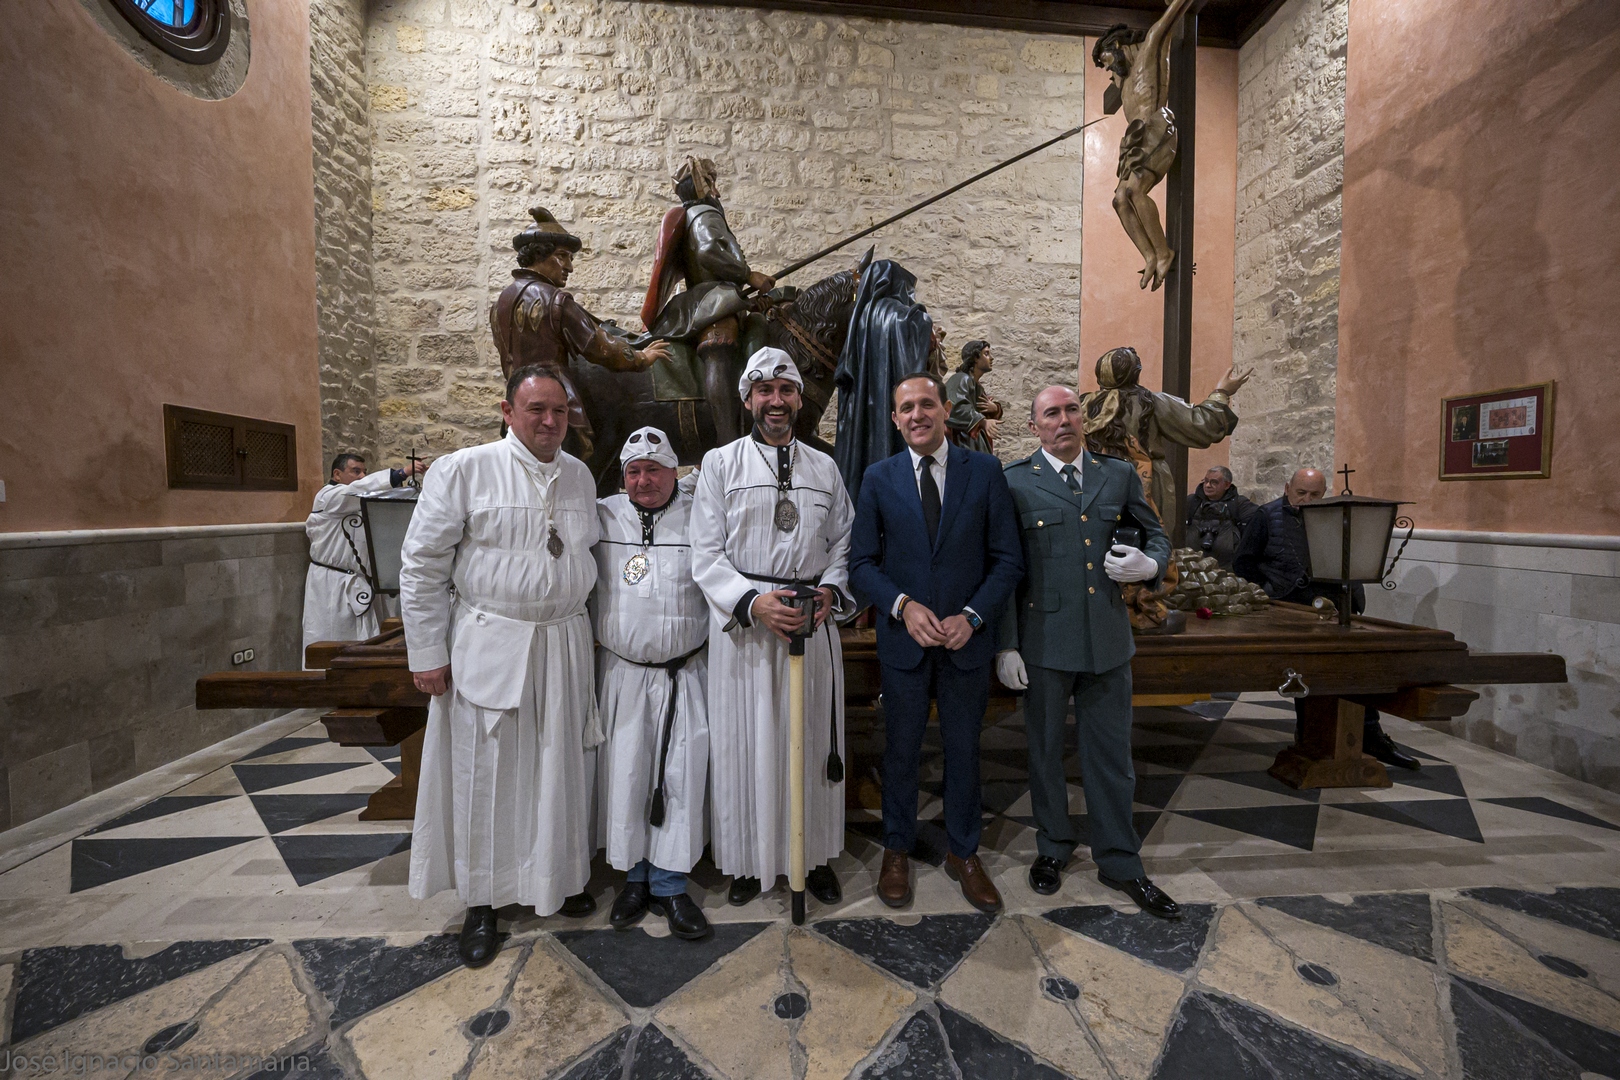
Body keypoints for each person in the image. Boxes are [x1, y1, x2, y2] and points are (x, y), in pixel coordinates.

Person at [400, 366, 603, 969]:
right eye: (536, 409)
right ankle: (483, 900)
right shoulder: (464, 469)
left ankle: (557, 877)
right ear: (508, 412)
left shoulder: (580, 474)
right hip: (492, 641)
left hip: (564, 641)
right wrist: (426, 653)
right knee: (486, 774)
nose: (549, 421)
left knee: (559, 765)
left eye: (559, 411)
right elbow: (422, 565)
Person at [996, 385, 1182, 918]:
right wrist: (1006, 645)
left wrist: (1150, 565)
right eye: (1051, 413)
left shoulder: (1116, 475)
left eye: (1071, 410)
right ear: (1034, 427)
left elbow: (1156, 535)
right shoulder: (1014, 482)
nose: (1064, 420)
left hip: (1107, 640)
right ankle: (1053, 847)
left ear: (1083, 418)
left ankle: (1120, 859)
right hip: (1044, 641)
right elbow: (1005, 570)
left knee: (1112, 757)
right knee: (1045, 752)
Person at [848, 373, 1023, 912]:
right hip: (904, 642)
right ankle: (897, 848)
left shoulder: (984, 471)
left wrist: (973, 616)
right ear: (895, 419)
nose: (917, 414)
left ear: (946, 410)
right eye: (907, 408)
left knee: (964, 750)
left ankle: (963, 852)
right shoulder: (879, 478)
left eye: (927, 404)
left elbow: (1008, 560)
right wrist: (903, 606)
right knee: (900, 751)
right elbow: (861, 564)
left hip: (965, 641)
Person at [689, 347, 855, 908]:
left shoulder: (824, 467)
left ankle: (813, 856)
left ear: (799, 400)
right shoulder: (721, 464)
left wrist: (828, 591)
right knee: (748, 745)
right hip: (749, 633)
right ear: (748, 399)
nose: (775, 401)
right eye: (765, 391)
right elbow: (705, 552)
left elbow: (844, 541)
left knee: (811, 742)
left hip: (811, 622)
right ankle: (749, 860)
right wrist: (754, 603)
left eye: (786, 390)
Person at [590, 426, 712, 941]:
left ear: (674, 472)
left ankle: (670, 884)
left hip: (683, 675)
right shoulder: (601, 515)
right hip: (622, 675)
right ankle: (633, 879)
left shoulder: (702, 515)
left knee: (680, 777)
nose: (644, 480)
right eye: (634, 471)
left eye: (655, 470)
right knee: (627, 777)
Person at [1234, 468, 1421, 771]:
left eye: (1314, 494)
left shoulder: (1334, 514)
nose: (1307, 500)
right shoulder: (1266, 516)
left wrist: (1354, 596)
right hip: (1289, 608)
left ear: (1324, 493)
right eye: (1301, 493)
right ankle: (1311, 738)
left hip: (1333, 606)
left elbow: (1349, 554)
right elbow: (1244, 562)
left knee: (1357, 665)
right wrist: (1270, 593)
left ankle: (1369, 734)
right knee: (1306, 673)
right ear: (1287, 488)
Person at [492, 206, 669, 454]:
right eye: (562, 256)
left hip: (518, 408)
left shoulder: (500, 303)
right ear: (539, 255)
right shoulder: (555, 300)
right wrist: (641, 358)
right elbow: (599, 346)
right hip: (554, 406)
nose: (569, 267)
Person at [643, 157, 776, 445]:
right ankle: (727, 438)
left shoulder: (700, 213)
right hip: (710, 300)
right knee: (720, 344)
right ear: (705, 186)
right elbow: (708, 252)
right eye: (712, 183)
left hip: (720, 296)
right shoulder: (705, 213)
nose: (717, 190)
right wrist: (748, 274)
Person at [1091, 0, 1200, 290]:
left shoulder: (1149, 52)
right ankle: (1150, 255)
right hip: (1135, 138)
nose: (1107, 69)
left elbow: (1166, 23)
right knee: (1120, 199)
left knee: (1135, 191)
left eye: (1105, 59)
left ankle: (1164, 252)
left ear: (1117, 47)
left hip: (1156, 127)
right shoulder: (1124, 82)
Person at [302, 452, 425, 663]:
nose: (362, 476)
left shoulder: (358, 501)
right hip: (334, 585)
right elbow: (359, 490)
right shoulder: (328, 497)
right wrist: (400, 474)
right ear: (337, 474)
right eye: (356, 471)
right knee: (334, 641)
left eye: (364, 472)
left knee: (367, 643)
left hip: (362, 582)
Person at [1185, 465, 1258, 568]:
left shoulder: (1239, 504)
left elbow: (1258, 526)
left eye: (1214, 482)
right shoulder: (1191, 502)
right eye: (1206, 481)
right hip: (1192, 566)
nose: (1208, 485)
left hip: (1227, 567)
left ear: (1227, 485)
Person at [944, 340, 1006, 454]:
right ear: (975, 358)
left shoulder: (977, 386)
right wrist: (982, 422)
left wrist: (994, 408)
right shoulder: (961, 378)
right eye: (986, 354)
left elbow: (979, 409)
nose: (991, 358)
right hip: (962, 443)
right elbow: (955, 408)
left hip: (973, 443)